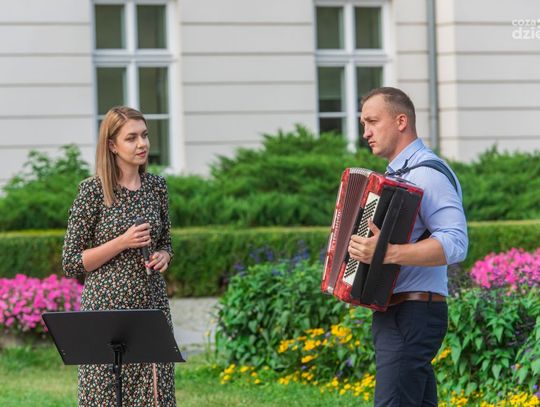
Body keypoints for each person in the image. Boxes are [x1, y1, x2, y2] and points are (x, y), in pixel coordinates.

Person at [348, 87, 468, 406]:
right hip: (399, 312)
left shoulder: (427, 174)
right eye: (363, 124)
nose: (366, 132)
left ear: (401, 121)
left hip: (413, 313)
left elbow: (456, 242)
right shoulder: (396, 175)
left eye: (373, 121)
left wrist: (387, 253)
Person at [62, 106, 176, 406]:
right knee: (105, 395)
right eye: (131, 138)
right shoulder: (93, 191)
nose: (142, 144)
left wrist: (164, 256)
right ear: (112, 145)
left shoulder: (157, 187)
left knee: (155, 396)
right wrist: (122, 242)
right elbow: (71, 262)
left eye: (145, 135)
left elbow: (166, 243)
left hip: (150, 307)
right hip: (107, 310)